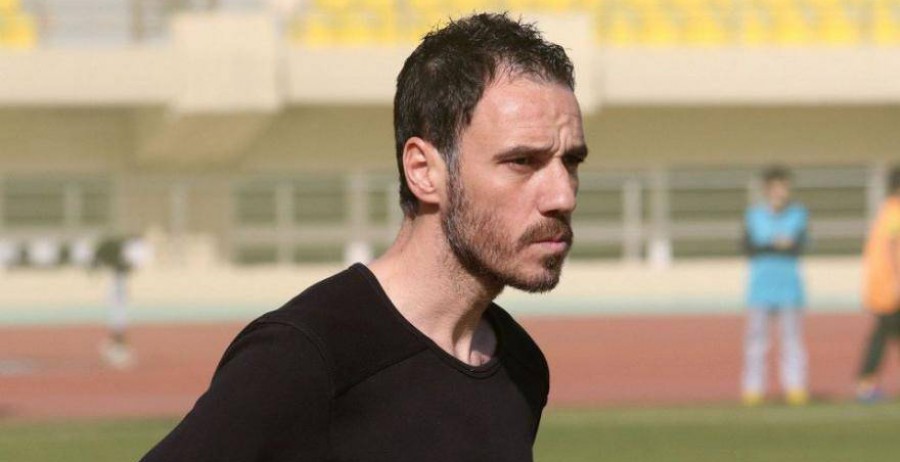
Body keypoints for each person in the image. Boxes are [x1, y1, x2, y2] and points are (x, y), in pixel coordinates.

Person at [141, 12, 586, 461]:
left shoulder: (522, 366)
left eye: (570, 162)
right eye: (521, 162)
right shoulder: (305, 355)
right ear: (423, 171)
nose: (563, 195)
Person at [741, 166, 810, 406]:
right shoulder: (754, 215)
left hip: (789, 287)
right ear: (767, 189)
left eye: (784, 188)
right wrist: (775, 244)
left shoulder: (798, 214)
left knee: (792, 341)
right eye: (776, 188)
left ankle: (795, 387)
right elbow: (748, 247)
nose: (781, 193)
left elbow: (799, 246)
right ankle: (753, 389)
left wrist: (777, 245)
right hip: (760, 287)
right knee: (756, 342)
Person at [856, 167, 900, 403]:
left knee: (883, 334)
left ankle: (866, 383)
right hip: (890, 289)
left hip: (884, 287)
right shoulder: (895, 211)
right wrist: (897, 281)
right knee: (881, 335)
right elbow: (891, 248)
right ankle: (866, 383)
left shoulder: (887, 210)